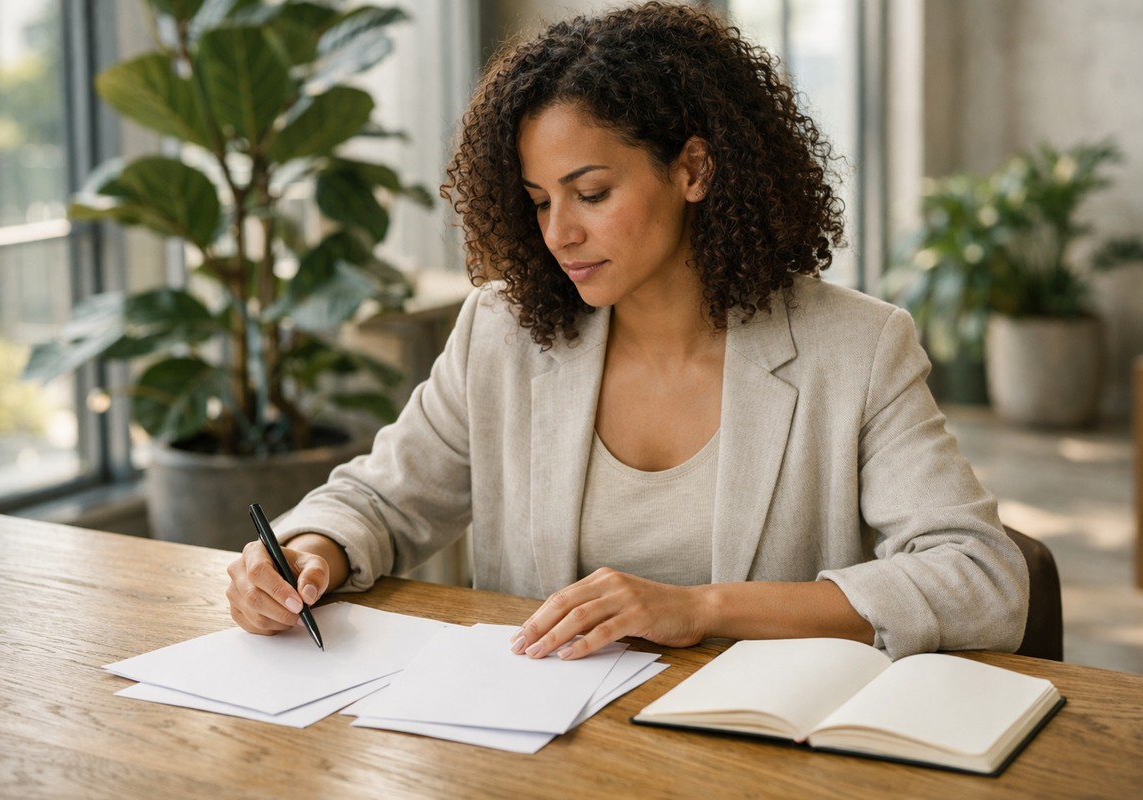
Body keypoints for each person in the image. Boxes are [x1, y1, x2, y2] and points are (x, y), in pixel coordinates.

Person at [226, 2, 1027, 662]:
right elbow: (381, 499)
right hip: (537, 752)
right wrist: (308, 551)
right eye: (540, 200)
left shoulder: (856, 349)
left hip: (756, 760)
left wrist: (702, 609)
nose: (559, 233)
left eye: (593, 192)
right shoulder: (504, 333)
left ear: (694, 170)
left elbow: (981, 579)